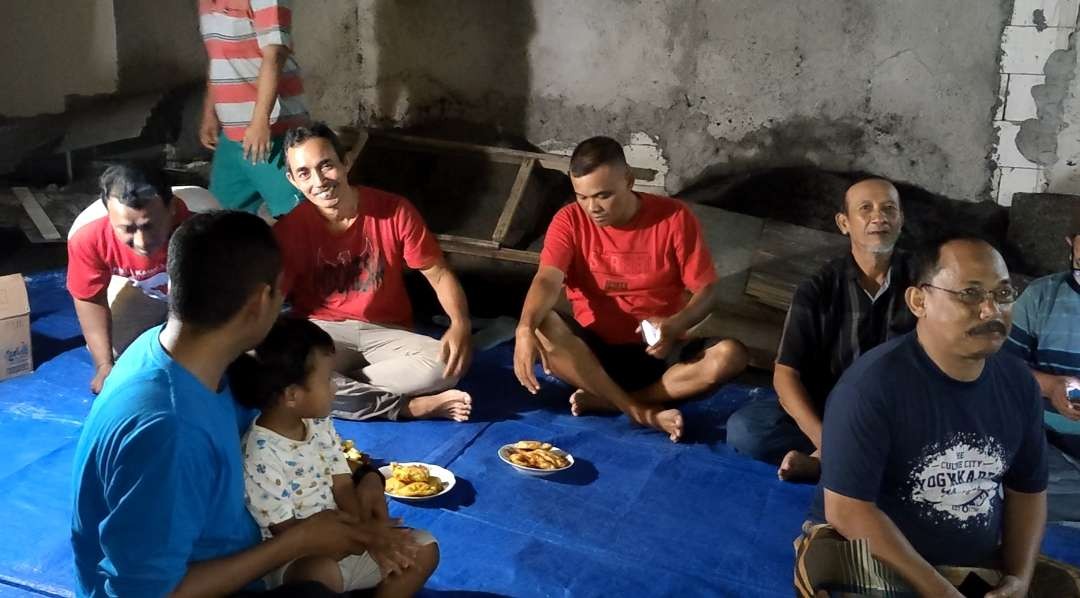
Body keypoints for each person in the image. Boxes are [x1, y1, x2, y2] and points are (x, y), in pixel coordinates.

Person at [71, 211, 415, 597]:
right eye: (280, 294)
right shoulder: (169, 429)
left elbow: (304, 436)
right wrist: (295, 543)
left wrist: (367, 477)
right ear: (260, 300)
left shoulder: (188, 354)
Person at [793, 236, 1079, 597]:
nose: (990, 311)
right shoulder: (871, 387)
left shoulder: (1018, 383)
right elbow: (848, 510)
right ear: (919, 301)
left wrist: (1018, 579)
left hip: (972, 561)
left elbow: (1027, 491)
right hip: (876, 559)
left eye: (1003, 294)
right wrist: (940, 592)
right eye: (970, 294)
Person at [512, 136, 748, 443]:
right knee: (541, 323)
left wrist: (675, 324)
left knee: (731, 355)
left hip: (657, 352)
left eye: (603, 195)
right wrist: (524, 328)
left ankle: (616, 401)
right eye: (582, 197)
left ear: (630, 180)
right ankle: (639, 409)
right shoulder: (569, 220)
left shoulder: (674, 217)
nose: (592, 208)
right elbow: (546, 279)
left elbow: (707, 291)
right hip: (590, 357)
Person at [275, 123, 473, 422]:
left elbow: (439, 273)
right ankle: (406, 406)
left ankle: (330, 387)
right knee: (277, 362)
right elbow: (272, 299)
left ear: (346, 161)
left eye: (326, 165)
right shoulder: (288, 230)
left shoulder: (394, 210)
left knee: (446, 366)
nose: (318, 181)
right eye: (304, 173)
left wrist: (460, 323)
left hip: (387, 332)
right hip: (323, 332)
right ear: (292, 180)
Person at [232, 316, 437, 595]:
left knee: (424, 548)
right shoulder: (259, 454)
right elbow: (289, 533)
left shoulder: (318, 424)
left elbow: (342, 485)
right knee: (319, 572)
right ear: (292, 395)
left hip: (349, 535)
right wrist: (367, 537)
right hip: (298, 557)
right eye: (327, 379)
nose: (335, 387)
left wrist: (371, 534)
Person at [726, 178, 915, 480]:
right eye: (865, 209)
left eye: (889, 209)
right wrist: (825, 439)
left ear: (900, 220)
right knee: (746, 430)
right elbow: (785, 373)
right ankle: (846, 457)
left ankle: (826, 464)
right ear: (844, 223)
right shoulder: (818, 288)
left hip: (896, 410)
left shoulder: (926, 282)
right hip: (830, 405)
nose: (878, 217)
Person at [66, 165, 217, 393]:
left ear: (173, 208)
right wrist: (104, 365)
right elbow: (90, 298)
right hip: (142, 285)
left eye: (149, 227)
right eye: (127, 229)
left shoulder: (205, 224)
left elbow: (228, 285)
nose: (141, 242)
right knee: (113, 350)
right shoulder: (87, 236)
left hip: (200, 285)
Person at [198, 0, 308, 217]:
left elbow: (275, 54)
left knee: (298, 216)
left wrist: (260, 121)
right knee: (219, 218)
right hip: (232, 134)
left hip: (272, 131)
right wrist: (209, 114)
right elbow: (218, 57)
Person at [1005, 206, 1080, 522]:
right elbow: (1001, 366)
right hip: (1047, 447)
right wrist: (1051, 386)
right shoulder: (1040, 297)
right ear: (1071, 242)